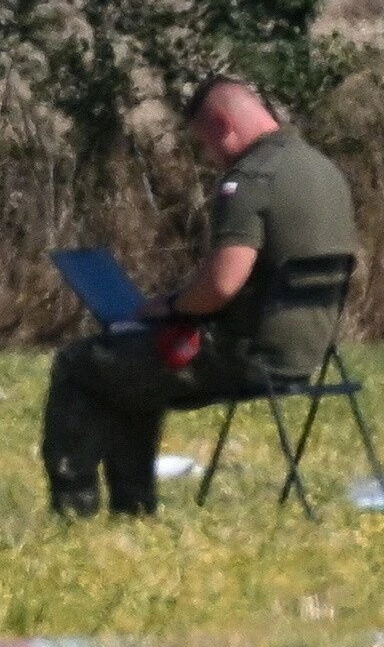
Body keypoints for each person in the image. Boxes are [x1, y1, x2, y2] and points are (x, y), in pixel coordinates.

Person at [42, 78, 360, 516]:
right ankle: (132, 508)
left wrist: (167, 306)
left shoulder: (251, 180)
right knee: (133, 367)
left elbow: (221, 286)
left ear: (224, 125)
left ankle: (76, 509)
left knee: (82, 364)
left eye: (205, 143)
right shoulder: (324, 171)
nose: (209, 157)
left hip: (245, 358)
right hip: (308, 353)